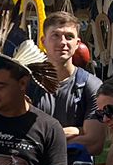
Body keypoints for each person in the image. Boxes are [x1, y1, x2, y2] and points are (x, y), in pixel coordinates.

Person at [39, 12, 105, 154]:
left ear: (77, 44)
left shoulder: (92, 85)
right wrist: (78, 130)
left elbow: (94, 143)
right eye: (55, 35)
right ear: (43, 42)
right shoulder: (27, 83)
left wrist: (43, 141)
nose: (63, 42)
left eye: (69, 37)